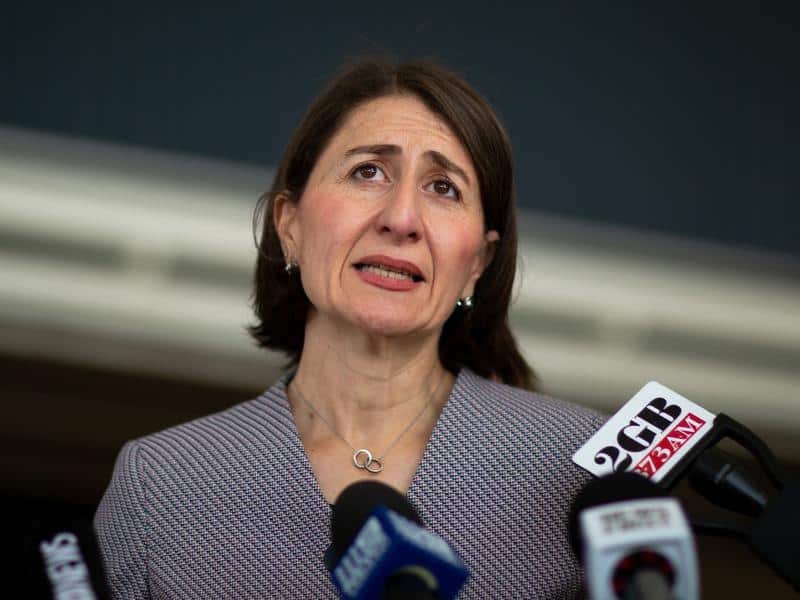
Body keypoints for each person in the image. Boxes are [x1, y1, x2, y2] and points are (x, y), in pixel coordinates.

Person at [94, 58, 606, 599]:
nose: (401, 219)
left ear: (477, 262)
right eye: (368, 172)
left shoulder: (578, 469)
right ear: (289, 225)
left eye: (443, 187)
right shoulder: (161, 486)